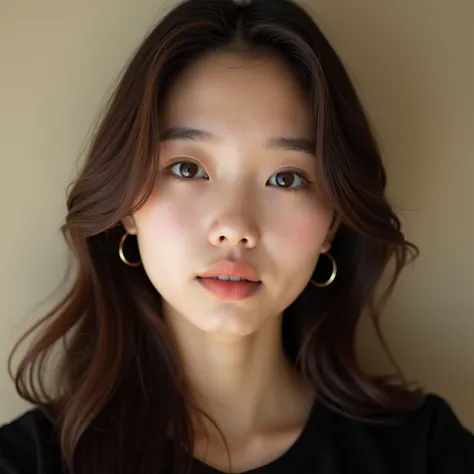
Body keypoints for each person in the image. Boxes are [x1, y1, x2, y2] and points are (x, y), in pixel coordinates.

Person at [1, 0, 473, 473]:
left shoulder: (425, 452)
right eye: (187, 168)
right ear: (127, 206)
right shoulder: (30, 461)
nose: (236, 227)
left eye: (286, 178)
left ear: (332, 222)